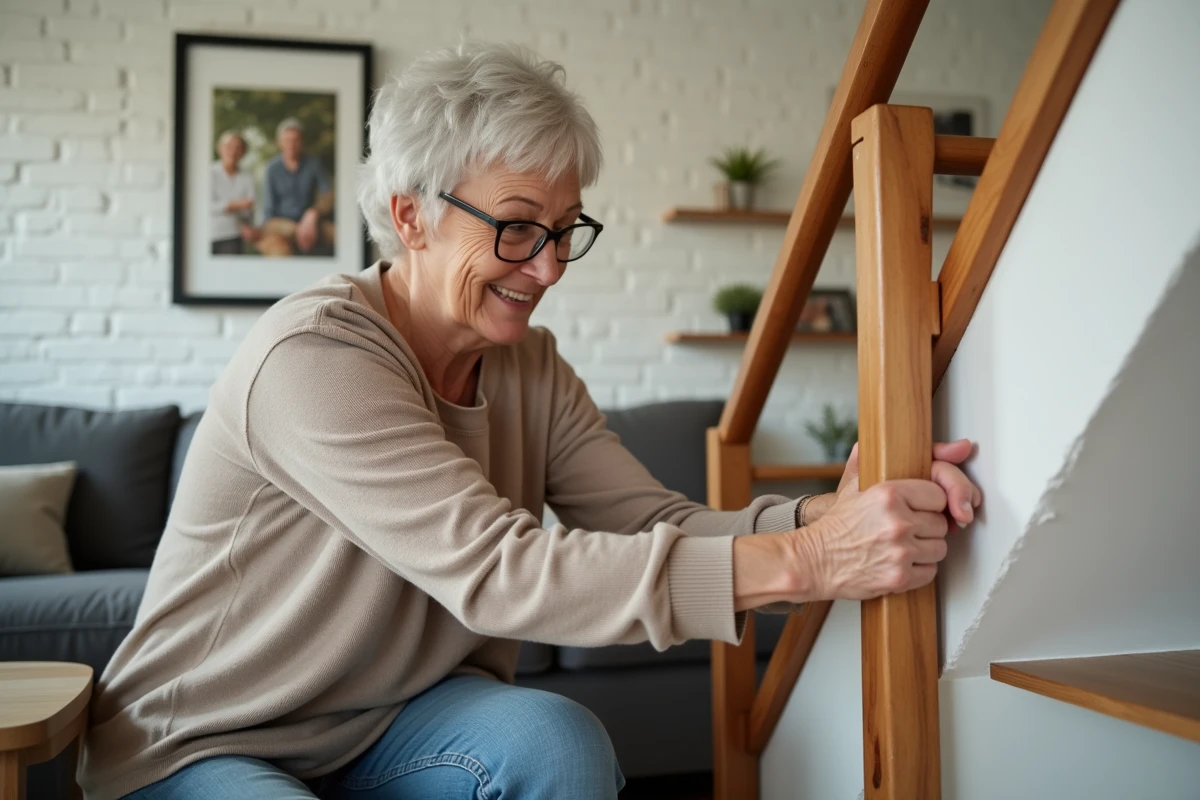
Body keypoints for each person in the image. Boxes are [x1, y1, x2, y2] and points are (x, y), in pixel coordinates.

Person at [80, 42, 981, 800]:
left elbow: (660, 526)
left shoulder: (531, 367)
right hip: (210, 737)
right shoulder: (314, 358)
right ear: (410, 216)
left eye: (564, 229)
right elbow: (501, 570)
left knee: (556, 743)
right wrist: (813, 562)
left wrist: (831, 515)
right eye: (516, 227)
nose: (547, 269)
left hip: (395, 726)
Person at [258, 117, 335, 256]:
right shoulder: (272, 168)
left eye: (296, 140)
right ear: (279, 143)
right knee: (278, 251)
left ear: (302, 142)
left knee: (339, 235)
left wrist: (312, 213)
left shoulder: (314, 164)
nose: (291, 144)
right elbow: (268, 213)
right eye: (287, 140)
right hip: (280, 224)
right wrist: (297, 229)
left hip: (313, 222)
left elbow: (328, 195)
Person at [209, 130, 258, 256]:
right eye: (229, 147)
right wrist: (236, 205)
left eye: (238, 148)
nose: (233, 152)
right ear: (220, 148)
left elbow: (249, 209)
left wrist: (227, 207)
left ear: (243, 153)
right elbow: (207, 206)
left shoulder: (248, 177)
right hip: (210, 234)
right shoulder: (209, 172)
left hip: (234, 236)